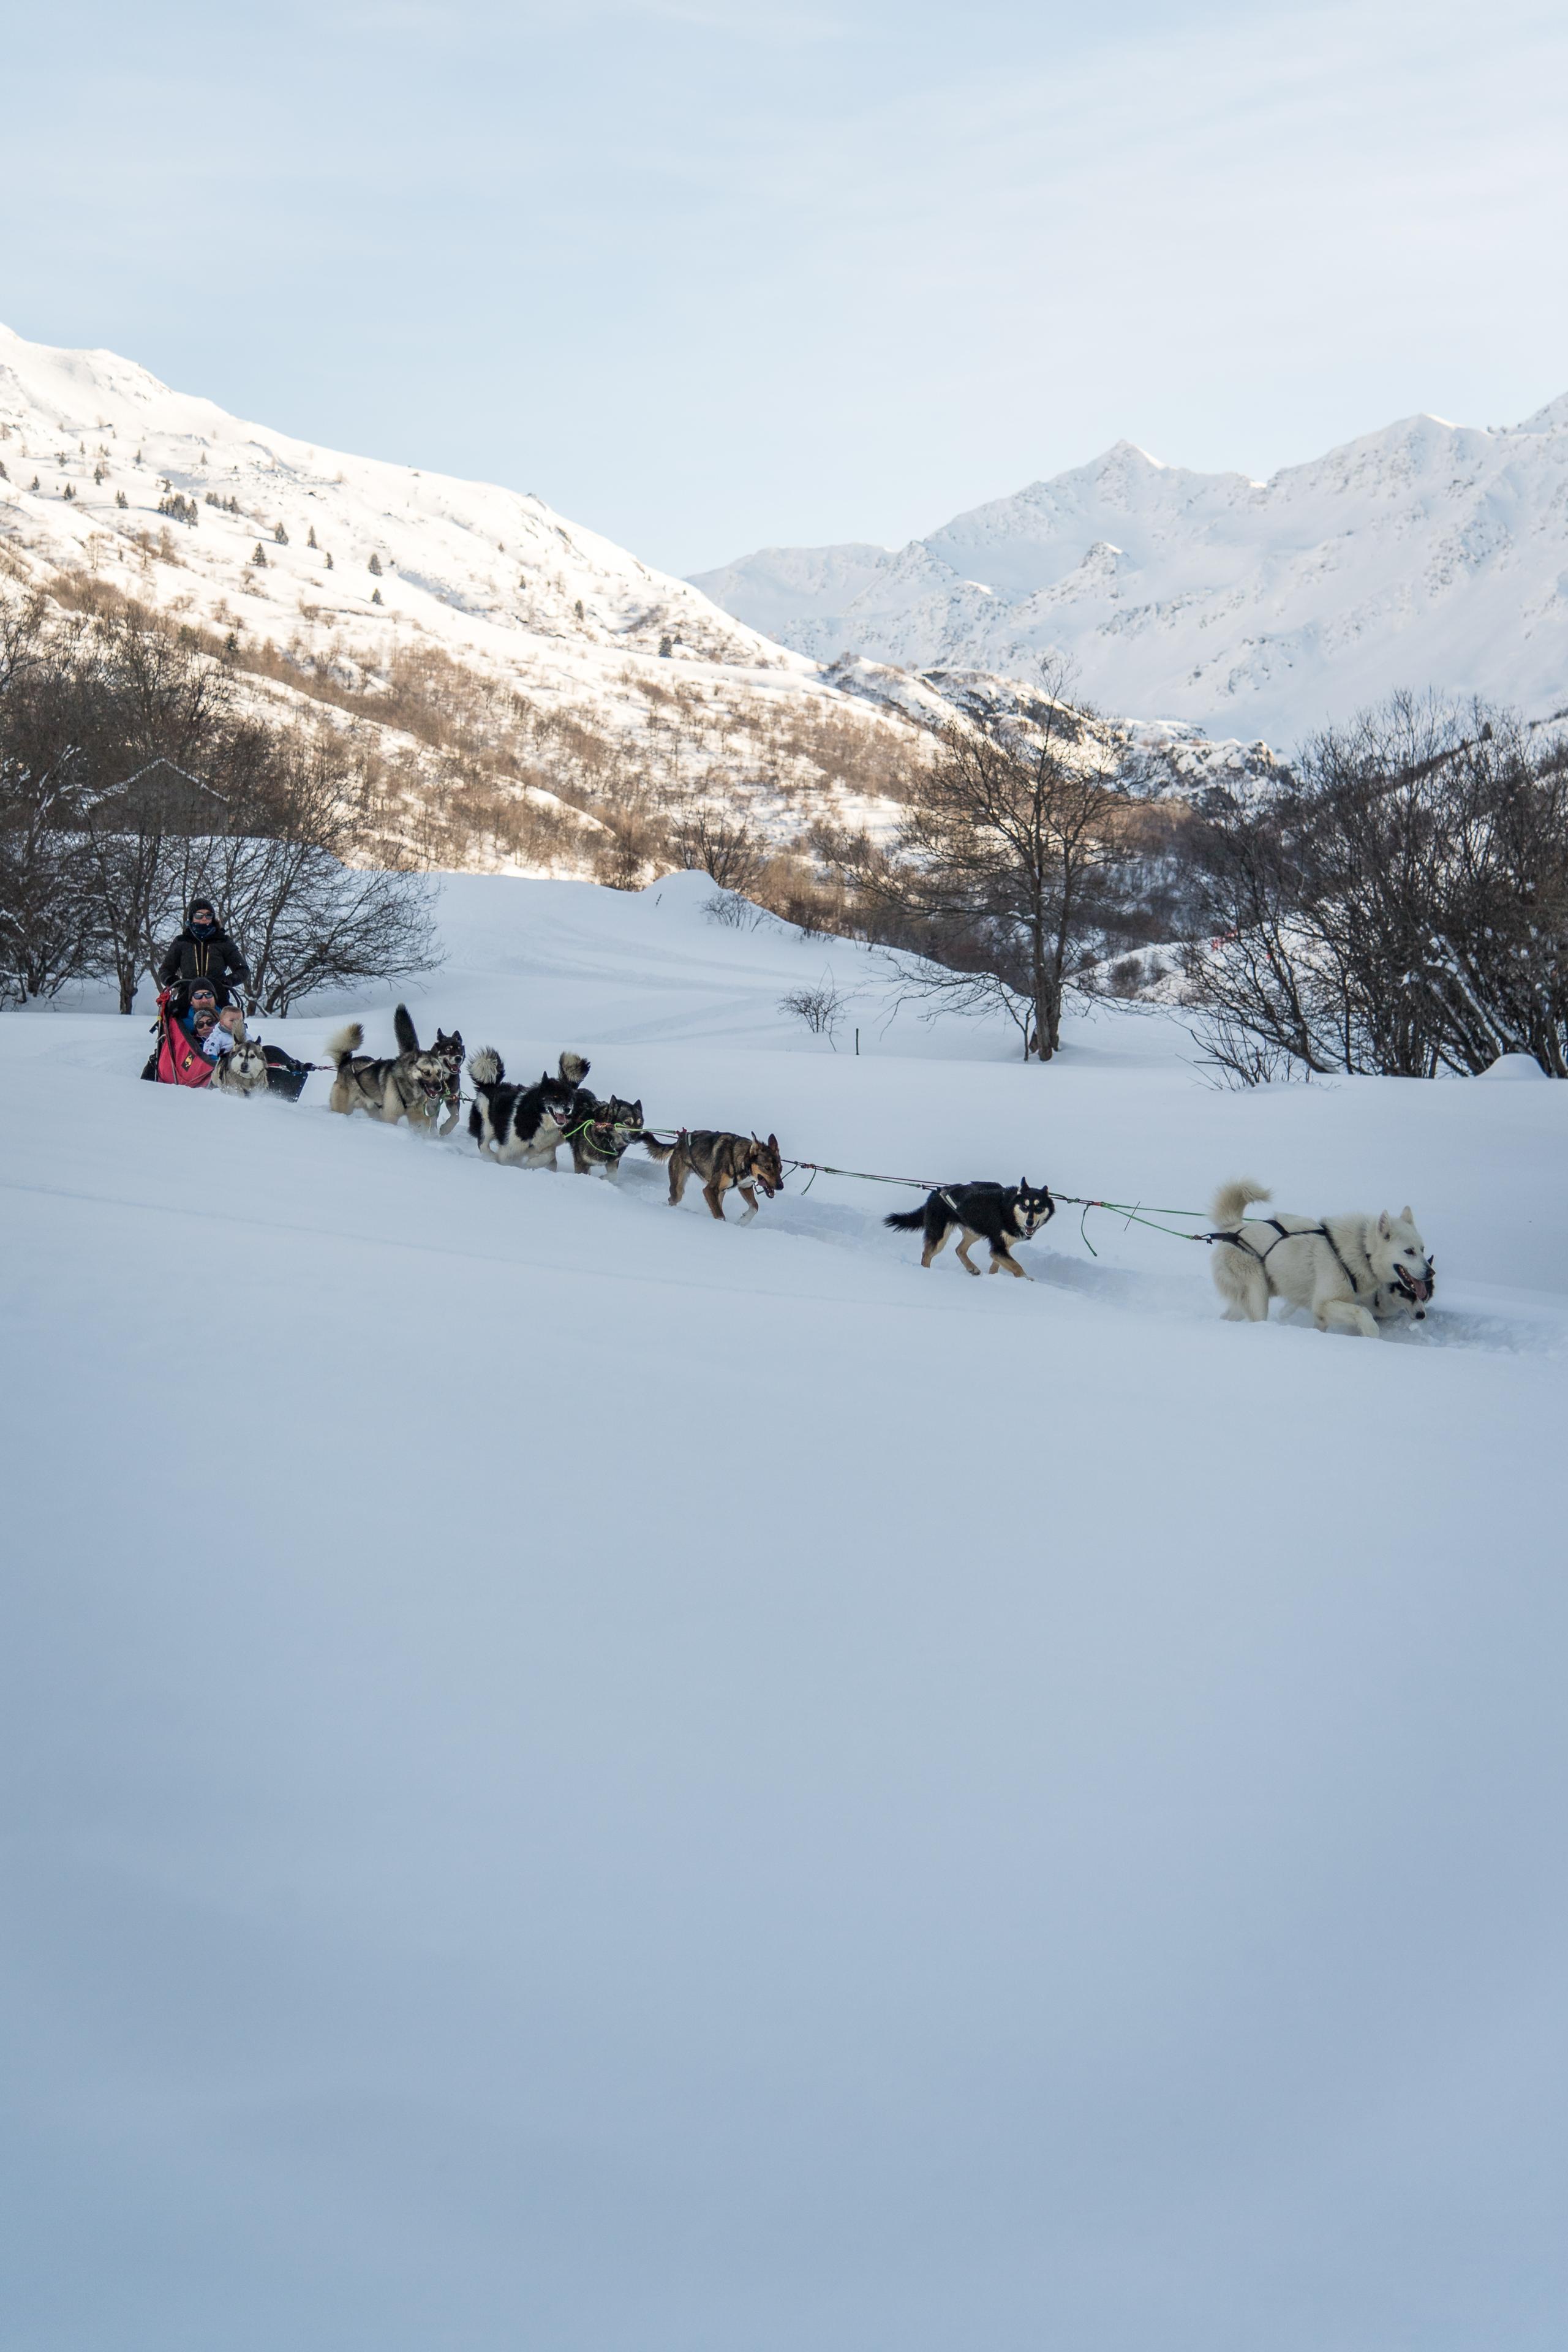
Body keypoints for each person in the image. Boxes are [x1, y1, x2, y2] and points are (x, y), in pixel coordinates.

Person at [157, 897, 250, 1011]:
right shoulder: (182, 942)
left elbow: (243, 970)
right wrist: (173, 981)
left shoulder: (223, 941)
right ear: (192, 918)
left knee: (230, 1020)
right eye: (199, 915)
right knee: (174, 1018)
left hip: (218, 995)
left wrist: (228, 981)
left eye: (208, 915)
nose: (204, 918)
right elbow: (165, 970)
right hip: (187, 994)